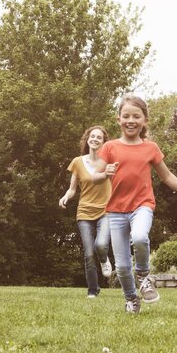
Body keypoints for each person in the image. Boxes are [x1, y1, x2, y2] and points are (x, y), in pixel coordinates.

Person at [93, 95, 177, 314]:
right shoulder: (109, 147)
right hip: (115, 211)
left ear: (144, 120)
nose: (131, 120)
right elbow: (95, 177)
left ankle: (144, 275)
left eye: (136, 116)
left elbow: (167, 176)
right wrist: (104, 173)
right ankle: (131, 299)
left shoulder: (151, 148)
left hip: (142, 206)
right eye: (126, 116)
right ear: (118, 119)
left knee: (140, 237)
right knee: (123, 267)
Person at [59, 125, 113, 298]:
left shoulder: (108, 163)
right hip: (84, 212)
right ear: (87, 139)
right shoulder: (77, 162)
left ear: (104, 142)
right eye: (92, 136)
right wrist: (66, 197)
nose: (95, 139)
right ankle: (93, 290)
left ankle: (104, 259)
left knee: (101, 245)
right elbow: (72, 189)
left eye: (99, 137)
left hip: (105, 210)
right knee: (88, 253)